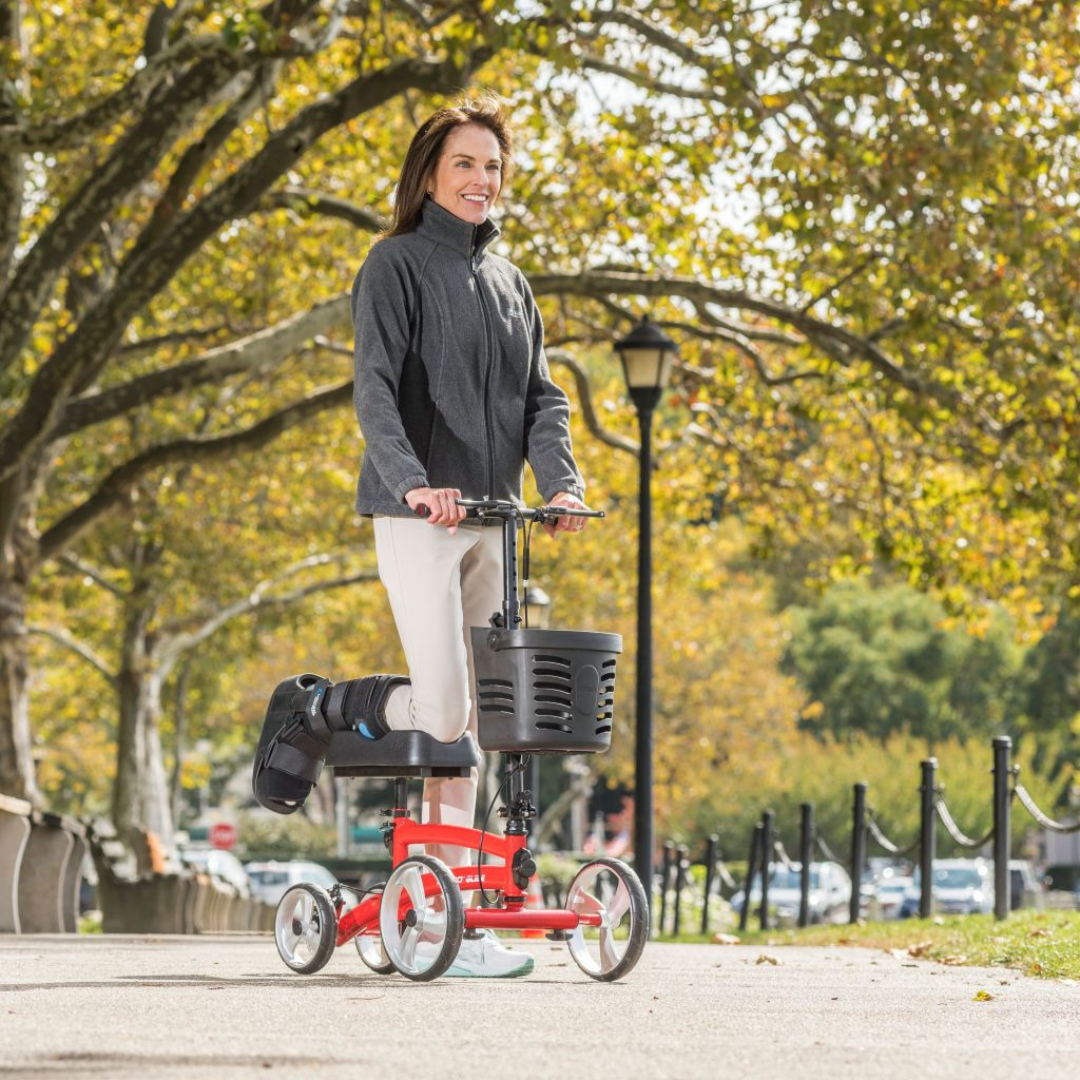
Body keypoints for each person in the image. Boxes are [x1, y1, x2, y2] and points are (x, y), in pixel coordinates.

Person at [346, 94, 587, 977]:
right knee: (442, 708)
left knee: (482, 721)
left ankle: (446, 913)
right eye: (465, 165)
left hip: (493, 513)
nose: (482, 180)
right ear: (430, 176)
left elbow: (542, 399)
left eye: (492, 166)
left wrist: (560, 480)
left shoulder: (510, 281)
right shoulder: (395, 264)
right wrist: (413, 482)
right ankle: (336, 709)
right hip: (415, 512)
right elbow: (373, 388)